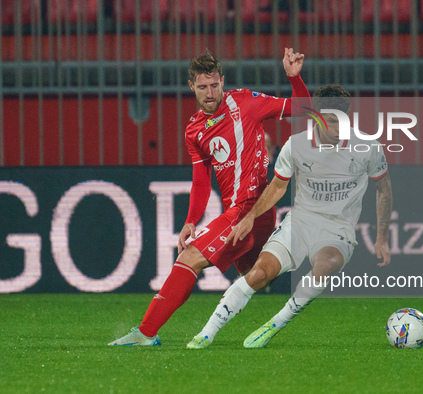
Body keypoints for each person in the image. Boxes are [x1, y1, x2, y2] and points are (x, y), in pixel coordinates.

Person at [109, 48, 310, 346]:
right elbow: (201, 182)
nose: (210, 92)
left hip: (250, 208)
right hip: (243, 213)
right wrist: (190, 220)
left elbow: (302, 108)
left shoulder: (246, 101)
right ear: (191, 87)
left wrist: (294, 78)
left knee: (189, 258)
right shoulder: (194, 130)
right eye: (202, 87)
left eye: (215, 85)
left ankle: (146, 333)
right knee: (256, 274)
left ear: (223, 81)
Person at [186, 84, 393, 349]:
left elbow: (384, 189)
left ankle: (277, 322)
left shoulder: (367, 147)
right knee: (260, 275)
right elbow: (277, 186)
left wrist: (382, 237)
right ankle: (207, 332)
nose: (338, 128)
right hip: (301, 223)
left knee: (326, 264)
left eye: (342, 121)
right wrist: (250, 217)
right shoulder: (297, 145)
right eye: (330, 121)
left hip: (338, 228)